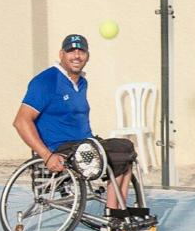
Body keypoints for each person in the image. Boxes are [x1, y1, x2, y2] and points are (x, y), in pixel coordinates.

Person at [13, 34, 136, 212]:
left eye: (81, 51)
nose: (77, 56)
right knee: (119, 152)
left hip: (84, 144)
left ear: (88, 56)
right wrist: (47, 156)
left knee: (127, 151)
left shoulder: (81, 82)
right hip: (63, 149)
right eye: (71, 51)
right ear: (62, 54)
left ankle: (120, 211)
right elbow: (21, 121)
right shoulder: (46, 81)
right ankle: (113, 213)